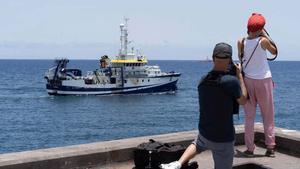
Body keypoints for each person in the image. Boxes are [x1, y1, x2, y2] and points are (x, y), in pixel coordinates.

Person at [160, 43, 248, 169]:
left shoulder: (203, 80)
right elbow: (243, 100)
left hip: (205, 133)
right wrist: (239, 76)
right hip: (223, 138)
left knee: (198, 143)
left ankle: (178, 163)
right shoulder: (231, 81)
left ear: (213, 58)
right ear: (229, 60)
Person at [237, 13, 278, 158]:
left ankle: (249, 149)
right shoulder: (263, 41)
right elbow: (274, 51)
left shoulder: (241, 41)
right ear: (261, 28)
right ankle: (270, 147)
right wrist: (266, 34)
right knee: (268, 115)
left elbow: (242, 59)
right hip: (264, 80)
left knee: (249, 117)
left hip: (248, 81)